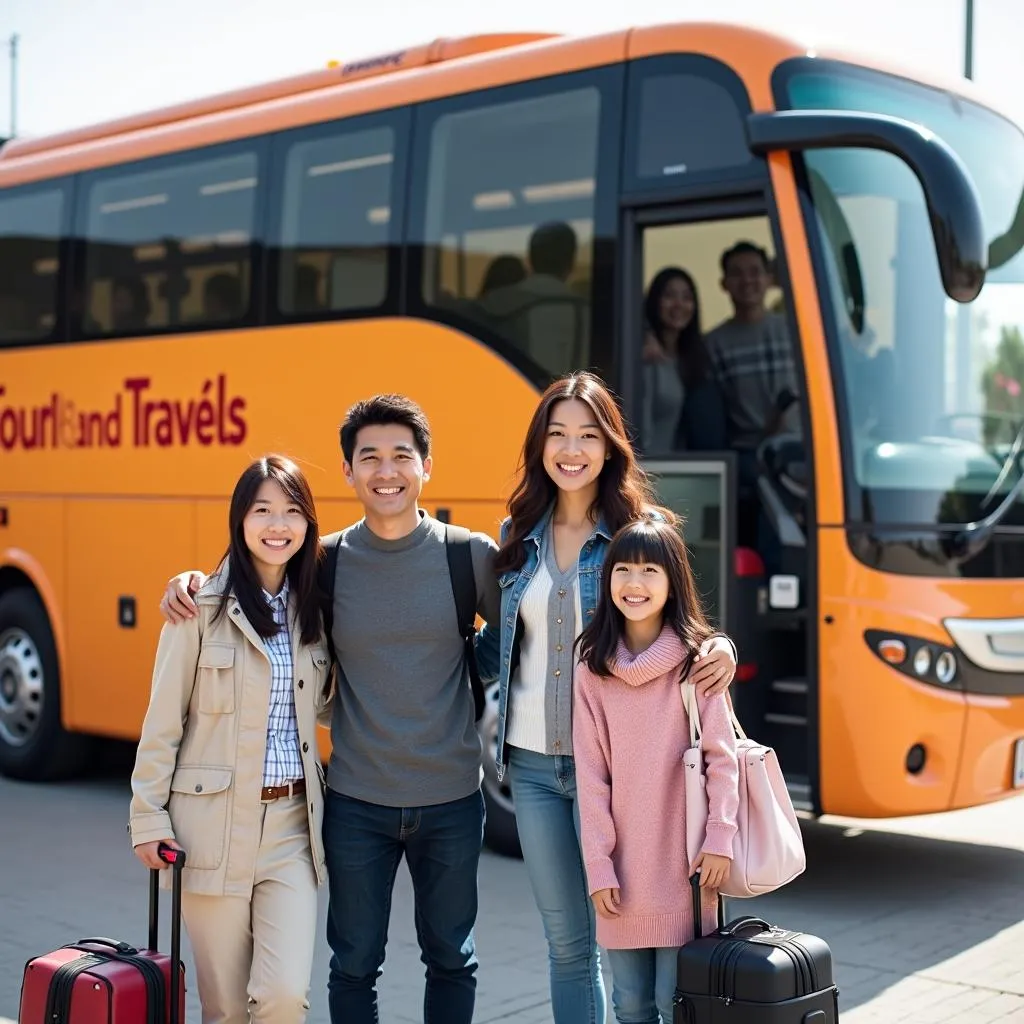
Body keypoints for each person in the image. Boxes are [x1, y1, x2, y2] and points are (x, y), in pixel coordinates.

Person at [158, 394, 501, 1024]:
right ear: (347, 472)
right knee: (351, 967)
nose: (386, 470)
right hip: (354, 803)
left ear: (427, 465)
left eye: (401, 455)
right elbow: (257, 590)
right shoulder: (327, 565)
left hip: (452, 799)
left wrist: (462, 670)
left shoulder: (467, 554)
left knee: (452, 958)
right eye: (368, 457)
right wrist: (188, 583)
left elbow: (520, 633)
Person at [475, 371, 737, 1024]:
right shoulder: (518, 532)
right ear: (540, 446)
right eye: (557, 434)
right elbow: (494, 644)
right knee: (567, 944)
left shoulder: (635, 532)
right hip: (533, 771)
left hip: (627, 783)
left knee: (636, 956)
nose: (572, 449)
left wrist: (722, 649)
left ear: (609, 447)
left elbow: (683, 624)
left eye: (588, 435)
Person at [129, 454, 334, 1024]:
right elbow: (162, 722)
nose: (278, 525)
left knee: (283, 995)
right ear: (239, 521)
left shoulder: (316, 610)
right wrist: (147, 818)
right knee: (224, 1009)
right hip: (211, 830)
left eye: (292, 512)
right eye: (263, 510)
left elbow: (335, 705)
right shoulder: (198, 607)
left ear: (308, 525)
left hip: (293, 830)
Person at [573, 518, 740, 1024]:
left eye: (650, 570)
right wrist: (598, 866)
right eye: (622, 569)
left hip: (688, 872)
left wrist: (719, 838)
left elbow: (723, 759)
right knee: (630, 1008)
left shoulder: (698, 663)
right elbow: (591, 777)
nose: (635, 583)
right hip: (621, 879)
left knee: (679, 1006)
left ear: (673, 582)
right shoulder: (592, 668)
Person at [640, 267, 726, 453]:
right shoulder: (647, 358)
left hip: (683, 471)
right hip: (647, 470)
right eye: (670, 296)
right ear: (655, 302)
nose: (679, 304)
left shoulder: (693, 359)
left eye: (687, 298)